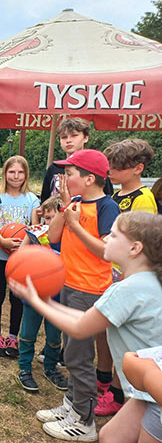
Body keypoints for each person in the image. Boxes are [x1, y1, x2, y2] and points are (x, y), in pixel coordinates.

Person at [10, 211, 162, 443]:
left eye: (112, 235)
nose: (105, 240)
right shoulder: (140, 282)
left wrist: (37, 301)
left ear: (135, 249)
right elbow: (86, 317)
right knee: (111, 435)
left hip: (156, 395)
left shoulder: (129, 290)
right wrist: (47, 302)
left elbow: (81, 327)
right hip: (147, 391)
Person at [31, 149, 119, 441]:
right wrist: (65, 210)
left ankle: (84, 422)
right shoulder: (76, 203)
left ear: (89, 178)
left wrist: (76, 225)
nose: (64, 178)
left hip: (89, 290)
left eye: (69, 173)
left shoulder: (107, 207)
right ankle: (72, 405)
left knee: (80, 358)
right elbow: (53, 237)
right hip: (69, 285)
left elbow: (106, 252)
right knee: (71, 352)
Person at [94, 138, 158, 416]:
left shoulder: (143, 199)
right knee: (106, 333)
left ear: (137, 168)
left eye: (117, 167)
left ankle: (122, 393)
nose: (110, 172)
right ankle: (105, 383)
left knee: (124, 340)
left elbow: (143, 243)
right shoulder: (116, 195)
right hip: (107, 273)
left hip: (126, 278)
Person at [0, 155, 40, 358]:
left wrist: (23, 245)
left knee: (16, 296)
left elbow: (34, 227)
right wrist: (2, 240)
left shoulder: (31, 199)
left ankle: (12, 336)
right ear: (4, 174)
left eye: (20, 172)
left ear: (25, 174)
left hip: (21, 255)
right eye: (11, 172)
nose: (16, 176)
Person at [16, 194, 67, 392]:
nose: (48, 222)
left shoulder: (69, 238)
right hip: (34, 294)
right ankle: (24, 369)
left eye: (52, 217)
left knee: (54, 337)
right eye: (45, 218)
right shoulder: (35, 233)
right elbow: (20, 256)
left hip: (58, 297)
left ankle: (51, 367)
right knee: (28, 333)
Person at [40, 117, 113, 203]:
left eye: (74, 135)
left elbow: (107, 196)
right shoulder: (54, 168)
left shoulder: (95, 166)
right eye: (64, 137)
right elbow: (45, 199)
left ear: (85, 138)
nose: (69, 140)